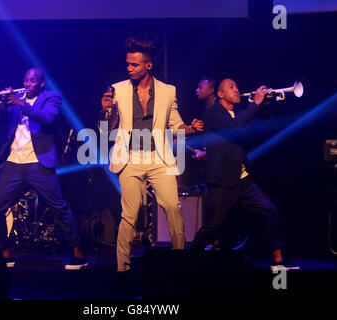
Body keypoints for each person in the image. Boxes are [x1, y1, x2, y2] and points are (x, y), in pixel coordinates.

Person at [100, 38, 203, 273]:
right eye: (127, 64)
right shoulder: (118, 89)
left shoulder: (168, 91)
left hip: (158, 157)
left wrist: (190, 129)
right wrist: (105, 110)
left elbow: (176, 124)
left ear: (148, 65)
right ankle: (122, 268)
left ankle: (179, 262)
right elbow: (106, 130)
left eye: (134, 65)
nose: (129, 68)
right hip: (129, 158)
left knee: (172, 206)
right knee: (130, 215)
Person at [0, 67, 87, 270]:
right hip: (14, 163)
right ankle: (5, 254)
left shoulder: (52, 98)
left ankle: (78, 253)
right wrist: (2, 104)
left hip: (39, 163)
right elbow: (0, 123)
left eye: (32, 81)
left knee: (58, 207)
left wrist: (21, 103)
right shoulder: (17, 100)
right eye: (25, 80)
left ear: (41, 83)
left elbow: (48, 118)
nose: (27, 84)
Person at [190, 78, 289, 268]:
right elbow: (234, 128)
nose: (237, 90)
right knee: (212, 227)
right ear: (220, 94)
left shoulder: (237, 113)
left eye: (237, 86)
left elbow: (260, 125)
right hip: (222, 181)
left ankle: (278, 257)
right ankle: (189, 263)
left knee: (270, 211)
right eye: (231, 87)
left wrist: (265, 105)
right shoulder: (213, 111)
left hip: (242, 179)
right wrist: (255, 103)